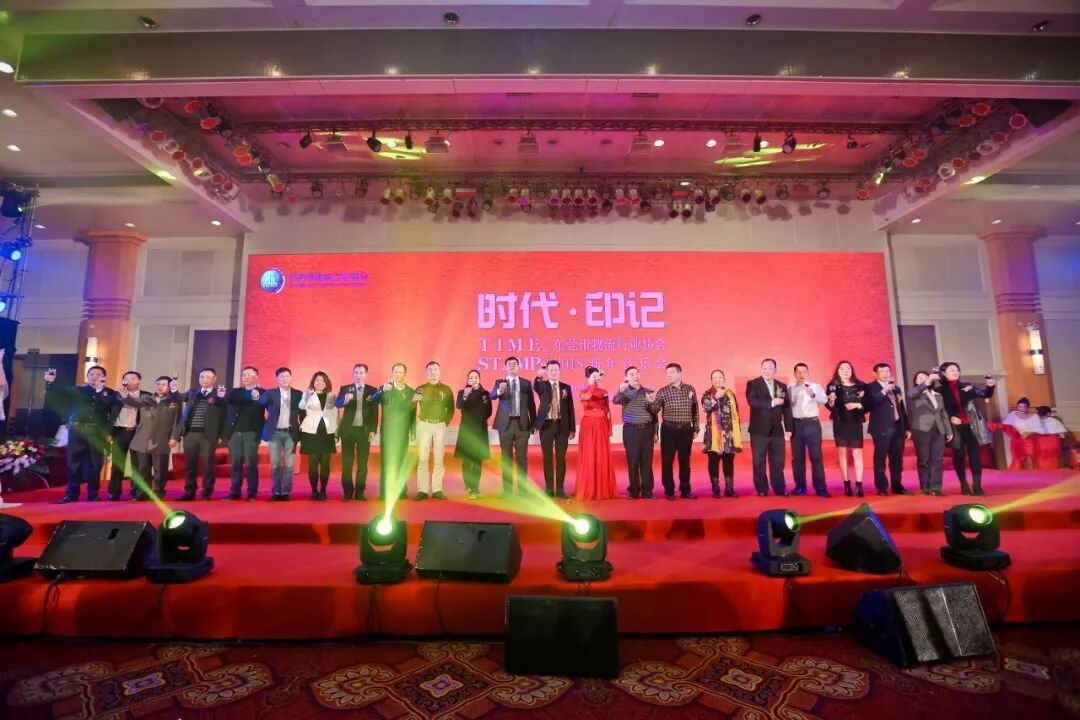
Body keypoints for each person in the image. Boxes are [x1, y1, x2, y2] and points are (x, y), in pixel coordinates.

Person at [44, 365, 116, 503]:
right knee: (73, 463)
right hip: (77, 429)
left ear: (104, 377)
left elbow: (113, 413)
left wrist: (107, 431)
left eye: (98, 374)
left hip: (97, 431)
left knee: (95, 464)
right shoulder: (77, 390)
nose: (94, 377)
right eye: (91, 374)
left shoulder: (110, 394)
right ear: (87, 376)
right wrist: (51, 382)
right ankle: (71, 494)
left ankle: (93, 494)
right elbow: (58, 393)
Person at [938, 361, 995, 496]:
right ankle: (963, 484)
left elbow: (984, 394)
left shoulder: (967, 386)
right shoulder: (939, 390)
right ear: (943, 373)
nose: (956, 372)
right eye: (952, 370)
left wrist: (990, 387)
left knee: (975, 455)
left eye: (957, 370)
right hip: (954, 427)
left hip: (971, 425)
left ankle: (977, 486)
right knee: (959, 456)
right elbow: (939, 410)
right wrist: (950, 417)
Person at [123, 375, 182, 500]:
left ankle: (159, 492)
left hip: (161, 439)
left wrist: (175, 437)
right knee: (142, 468)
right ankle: (142, 493)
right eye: (158, 384)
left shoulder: (174, 402)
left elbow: (177, 422)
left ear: (169, 387)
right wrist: (124, 394)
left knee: (160, 469)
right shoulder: (146, 398)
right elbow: (132, 402)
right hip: (142, 439)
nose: (160, 387)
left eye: (163, 385)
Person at [174, 367, 228, 501]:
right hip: (190, 433)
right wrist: (173, 388)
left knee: (208, 464)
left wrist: (222, 436)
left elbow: (225, 416)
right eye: (202, 377)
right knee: (189, 464)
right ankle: (189, 491)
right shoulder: (192, 393)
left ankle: (206, 492)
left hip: (208, 435)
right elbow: (178, 397)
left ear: (214, 379)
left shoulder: (219, 394)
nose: (204, 379)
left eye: (208, 377)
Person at [649, 362, 699, 501]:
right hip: (669, 430)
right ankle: (669, 490)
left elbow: (695, 410)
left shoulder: (690, 389)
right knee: (667, 461)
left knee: (685, 461)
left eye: (671, 373)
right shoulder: (663, 391)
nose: (668, 375)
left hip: (686, 430)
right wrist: (652, 401)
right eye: (667, 373)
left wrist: (695, 428)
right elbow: (654, 410)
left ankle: (685, 490)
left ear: (679, 373)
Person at [745, 358, 793, 497]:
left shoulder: (781, 386)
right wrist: (771, 403)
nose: (767, 371)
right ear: (761, 369)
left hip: (777, 429)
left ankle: (779, 488)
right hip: (759, 430)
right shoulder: (753, 384)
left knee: (778, 461)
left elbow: (787, 408)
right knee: (758, 461)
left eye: (770, 368)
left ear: (775, 370)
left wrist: (789, 428)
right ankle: (761, 488)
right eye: (764, 368)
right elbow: (752, 401)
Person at [490, 356, 535, 497]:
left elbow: (531, 404)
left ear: (519, 366)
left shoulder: (526, 383)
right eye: (509, 364)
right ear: (505, 367)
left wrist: (533, 423)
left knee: (522, 458)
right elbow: (492, 395)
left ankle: (523, 491)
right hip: (505, 425)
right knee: (506, 459)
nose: (512, 365)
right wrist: (499, 390)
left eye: (514, 363)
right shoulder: (500, 382)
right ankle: (507, 491)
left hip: (522, 425)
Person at [257, 367, 304, 501]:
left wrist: (303, 431)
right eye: (281, 376)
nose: (284, 379)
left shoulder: (298, 394)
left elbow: (303, 412)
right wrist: (256, 394)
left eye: (287, 376)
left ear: (291, 377)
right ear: (277, 379)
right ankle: (276, 492)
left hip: (291, 433)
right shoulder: (270, 393)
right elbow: (261, 402)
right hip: (275, 433)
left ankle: (285, 492)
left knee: (289, 464)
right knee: (275, 464)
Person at [866, 362, 912, 496]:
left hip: (898, 427)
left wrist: (907, 427)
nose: (886, 374)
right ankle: (881, 487)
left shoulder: (896, 388)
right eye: (882, 371)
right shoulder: (870, 387)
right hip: (881, 427)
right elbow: (869, 404)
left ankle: (897, 485)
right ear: (875, 374)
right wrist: (883, 391)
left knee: (897, 459)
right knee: (880, 459)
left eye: (887, 371)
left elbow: (901, 408)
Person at [372, 363, 416, 500]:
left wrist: (413, 429)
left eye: (400, 372)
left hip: (403, 431)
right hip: (388, 431)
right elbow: (372, 401)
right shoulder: (385, 388)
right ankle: (385, 492)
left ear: (405, 374)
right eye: (395, 372)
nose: (397, 375)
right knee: (387, 461)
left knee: (402, 461)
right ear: (392, 373)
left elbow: (413, 412)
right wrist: (380, 391)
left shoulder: (411, 391)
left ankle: (401, 491)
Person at [335, 363, 379, 501]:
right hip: (348, 430)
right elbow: (337, 404)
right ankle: (347, 492)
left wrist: (373, 429)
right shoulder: (345, 388)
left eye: (361, 373)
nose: (358, 375)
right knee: (347, 463)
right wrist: (345, 399)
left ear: (366, 374)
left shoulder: (372, 390)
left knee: (362, 463)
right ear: (353, 374)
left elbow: (374, 411)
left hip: (364, 431)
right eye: (356, 373)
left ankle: (360, 492)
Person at [613, 366, 657, 499]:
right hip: (631, 430)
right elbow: (615, 400)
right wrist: (620, 390)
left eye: (637, 373)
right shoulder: (625, 392)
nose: (636, 376)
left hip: (647, 430)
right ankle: (634, 491)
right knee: (632, 461)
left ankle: (647, 491)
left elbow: (654, 413)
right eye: (632, 374)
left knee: (647, 462)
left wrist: (655, 432)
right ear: (626, 378)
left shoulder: (648, 391)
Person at [826, 361, 868, 498]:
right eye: (842, 368)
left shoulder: (860, 385)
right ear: (838, 371)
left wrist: (857, 405)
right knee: (842, 451)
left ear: (852, 370)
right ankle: (846, 483)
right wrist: (831, 400)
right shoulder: (833, 385)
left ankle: (859, 484)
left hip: (855, 421)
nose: (845, 371)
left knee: (857, 452)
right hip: (840, 422)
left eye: (848, 368)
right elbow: (829, 405)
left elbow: (868, 403)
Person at [534, 360, 576, 499]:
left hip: (562, 425)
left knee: (561, 458)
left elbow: (570, 408)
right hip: (546, 425)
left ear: (559, 371)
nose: (553, 372)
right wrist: (539, 377)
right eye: (551, 370)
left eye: (555, 370)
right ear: (547, 372)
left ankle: (560, 489)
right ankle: (549, 488)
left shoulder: (566, 387)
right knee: (547, 457)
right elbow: (536, 386)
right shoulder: (543, 385)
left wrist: (572, 428)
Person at [413, 361, 454, 500]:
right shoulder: (420, 389)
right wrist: (413, 401)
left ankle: (437, 489)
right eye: (430, 369)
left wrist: (445, 423)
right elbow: (411, 407)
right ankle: (422, 490)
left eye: (435, 369)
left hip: (440, 425)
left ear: (439, 371)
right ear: (427, 372)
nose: (433, 372)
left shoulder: (446, 389)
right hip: (424, 425)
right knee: (423, 458)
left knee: (439, 458)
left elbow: (451, 409)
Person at [907, 369, 952, 495]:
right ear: (916, 382)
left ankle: (936, 487)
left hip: (939, 429)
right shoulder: (914, 393)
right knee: (924, 459)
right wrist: (927, 381)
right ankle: (925, 486)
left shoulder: (938, 395)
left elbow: (943, 413)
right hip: (921, 429)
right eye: (920, 378)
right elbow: (912, 393)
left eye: (925, 377)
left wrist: (948, 430)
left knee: (937, 459)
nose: (923, 379)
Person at [787, 362, 829, 497]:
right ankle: (800, 487)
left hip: (812, 423)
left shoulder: (815, 386)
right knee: (797, 458)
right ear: (794, 374)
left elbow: (825, 400)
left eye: (804, 372)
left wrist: (813, 395)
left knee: (816, 457)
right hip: (796, 424)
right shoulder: (789, 388)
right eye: (798, 372)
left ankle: (821, 488)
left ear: (808, 373)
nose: (801, 374)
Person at [576, 366, 617, 500]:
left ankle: (602, 488)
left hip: (600, 424)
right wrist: (593, 384)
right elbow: (587, 398)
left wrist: (608, 426)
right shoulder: (583, 392)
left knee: (601, 453)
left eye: (596, 376)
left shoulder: (604, 392)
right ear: (587, 378)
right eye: (592, 376)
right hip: (588, 425)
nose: (595, 379)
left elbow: (607, 409)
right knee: (589, 453)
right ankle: (588, 487)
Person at [109, 370, 150, 501]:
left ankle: (137, 492)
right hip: (119, 432)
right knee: (117, 464)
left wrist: (125, 396)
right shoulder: (115, 395)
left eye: (133, 378)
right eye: (126, 379)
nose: (129, 381)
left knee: (137, 465)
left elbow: (140, 405)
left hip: (137, 432)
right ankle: (114, 492)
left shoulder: (146, 396)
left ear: (139, 381)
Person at [701, 369, 742, 498]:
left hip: (729, 435)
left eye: (720, 377)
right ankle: (716, 488)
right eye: (715, 378)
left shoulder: (730, 393)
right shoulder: (708, 393)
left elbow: (736, 414)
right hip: (713, 436)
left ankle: (729, 488)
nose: (718, 379)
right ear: (711, 380)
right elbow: (706, 408)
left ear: (724, 379)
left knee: (729, 462)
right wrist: (715, 398)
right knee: (713, 462)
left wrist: (737, 433)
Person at [225, 366, 264, 501]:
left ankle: (252, 493)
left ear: (256, 377)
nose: (246, 377)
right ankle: (234, 492)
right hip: (235, 432)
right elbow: (227, 401)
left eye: (249, 375)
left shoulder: (263, 393)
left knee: (251, 464)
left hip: (252, 433)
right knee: (235, 463)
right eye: (244, 375)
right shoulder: (235, 392)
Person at [299, 371, 338, 501]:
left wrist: (336, 431)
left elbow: (334, 414)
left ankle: (323, 491)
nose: (320, 383)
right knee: (313, 463)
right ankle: (314, 491)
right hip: (311, 433)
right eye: (317, 380)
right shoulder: (308, 394)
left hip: (327, 432)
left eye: (322, 381)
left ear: (326, 383)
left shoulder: (331, 396)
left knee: (325, 463)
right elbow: (301, 406)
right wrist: (306, 397)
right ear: (313, 382)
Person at [455, 370, 492, 499]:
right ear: (467, 380)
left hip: (480, 430)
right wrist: (465, 396)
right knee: (467, 460)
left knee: (477, 461)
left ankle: (475, 487)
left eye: (476, 377)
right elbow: (459, 406)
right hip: (466, 431)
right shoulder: (462, 392)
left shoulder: (485, 394)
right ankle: (469, 486)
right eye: (471, 378)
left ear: (479, 379)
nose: (473, 380)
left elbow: (489, 412)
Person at [1002, 397, 1038, 469]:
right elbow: (1005, 426)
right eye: (1020, 407)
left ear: (1028, 407)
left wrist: (1029, 433)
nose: (1022, 409)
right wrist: (1014, 431)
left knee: (1030, 458)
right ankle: (1017, 475)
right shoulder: (1013, 414)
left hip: (1029, 440)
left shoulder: (1034, 417)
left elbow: (1039, 429)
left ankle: (1030, 474)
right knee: (1017, 460)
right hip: (1017, 440)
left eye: (1024, 407)